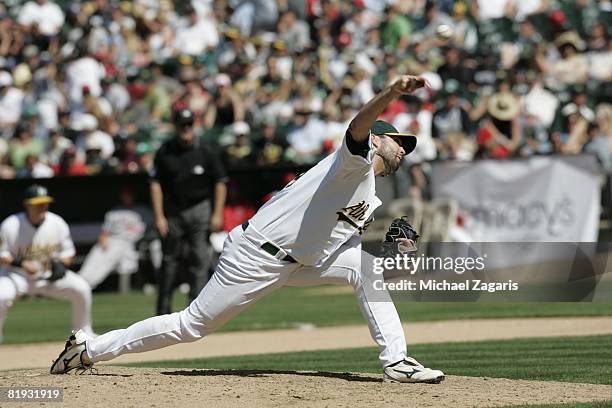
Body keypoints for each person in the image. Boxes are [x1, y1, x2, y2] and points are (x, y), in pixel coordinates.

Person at [50, 75, 445, 384]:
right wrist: (391, 92)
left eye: (406, 146)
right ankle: (89, 348)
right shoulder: (353, 164)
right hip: (257, 256)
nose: (402, 149)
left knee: (366, 268)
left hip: (297, 260)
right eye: (398, 142)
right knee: (191, 325)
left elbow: (339, 246)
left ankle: (396, 361)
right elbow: (357, 126)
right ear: (377, 140)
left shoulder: (367, 192)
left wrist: (395, 255)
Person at [151, 109, 228, 315]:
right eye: (182, 125)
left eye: (189, 124)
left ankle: (196, 310)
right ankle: (163, 308)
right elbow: (155, 183)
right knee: (169, 261)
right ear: (175, 126)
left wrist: (217, 213)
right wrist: (159, 216)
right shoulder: (165, 151)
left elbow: (220, 182)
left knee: (199, 259)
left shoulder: (206, 151)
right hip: (174, 210)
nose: (185, 129)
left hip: (200, 208)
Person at [0, 185, 94, 344]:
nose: (42, 207)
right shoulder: (11, 225)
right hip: (16, 276)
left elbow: (68, 254)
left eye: (44, 203)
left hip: (47, 277)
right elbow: (2, 256)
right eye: (37, 203)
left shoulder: (57, 222)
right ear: (27, 204)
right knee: (1, 296)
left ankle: (83, 336)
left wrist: (60, 265)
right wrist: (21, 263)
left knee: (82, 289)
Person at [79, 187, 149, 290]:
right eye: (125, 195)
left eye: (129, 195)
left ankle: (87, 285)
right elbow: (105, 230)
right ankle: (80, 282)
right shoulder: (115, 211)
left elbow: (147, 229)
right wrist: (103, 239)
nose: (127, 198)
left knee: (105, 264)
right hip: (111, 240)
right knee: (94, 259)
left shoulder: (142, 211)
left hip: (127, 243)